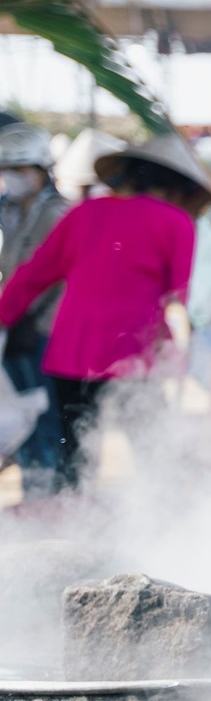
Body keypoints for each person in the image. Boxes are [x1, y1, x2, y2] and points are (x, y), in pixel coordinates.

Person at [0, 134, 211, 491]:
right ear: (180, 187)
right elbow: (178, 296)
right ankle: (162, 526)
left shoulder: (85, 213)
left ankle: (73, 532)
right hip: (134, 355)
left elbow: (34, 275)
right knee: (150, 451)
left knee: (76, 458)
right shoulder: (176, 222)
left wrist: (3, 316)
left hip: (72, 355)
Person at [0, 123, 72, 495]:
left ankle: (46, 498)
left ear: (43, 171)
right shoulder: (10, 213)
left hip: (43, 331)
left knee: (41, 419)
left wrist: (25, 320)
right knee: (21, 418)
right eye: (7, 169)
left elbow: (54, 279)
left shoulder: (57, 214)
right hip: (14, 327)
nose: (13, 177)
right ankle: (34, 491)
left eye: (22, 169)